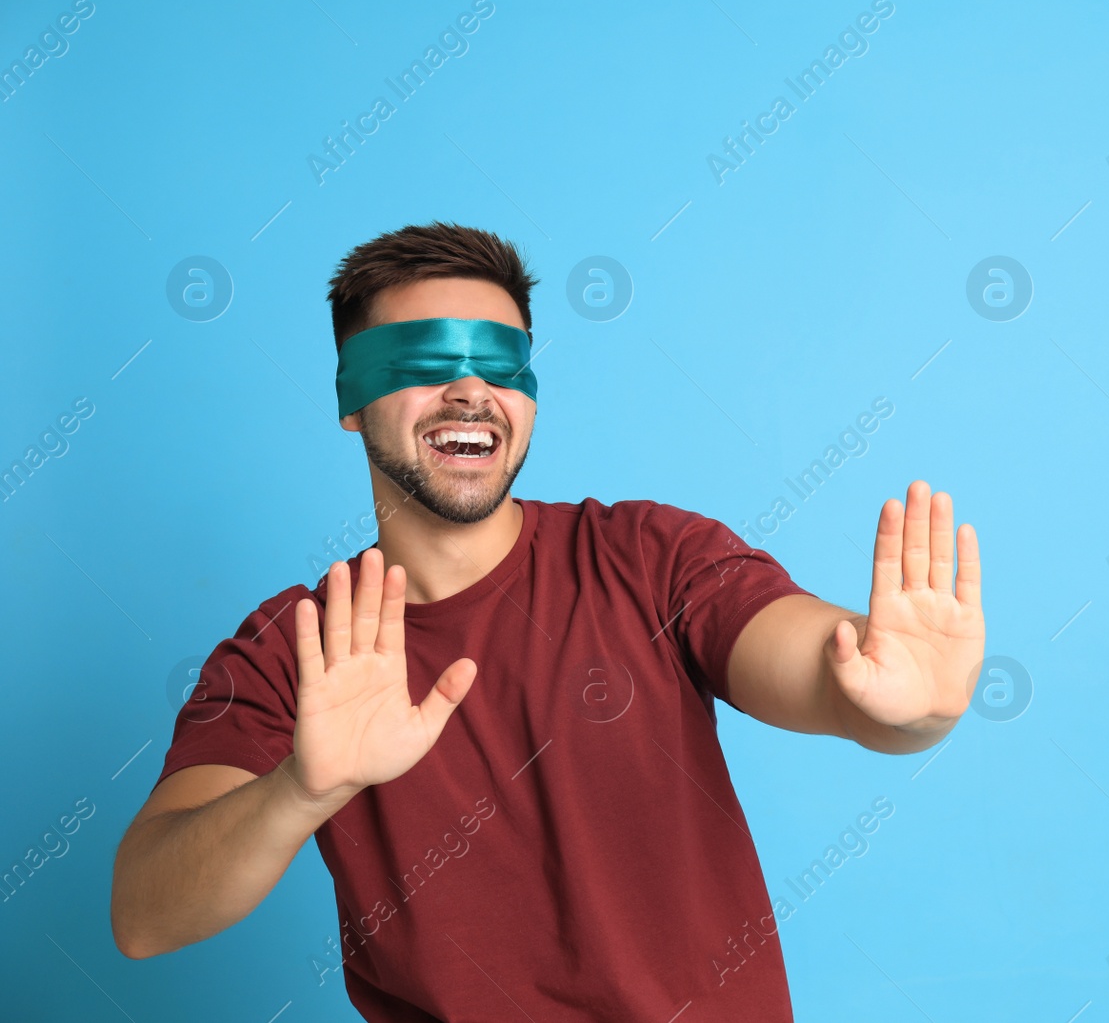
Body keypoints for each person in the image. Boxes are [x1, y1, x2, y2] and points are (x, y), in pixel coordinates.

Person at [109, 221, 985, 1021]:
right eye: (420, 361)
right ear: (352, 397)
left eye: (500, 362)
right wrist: (302, 787)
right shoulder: (294, 649)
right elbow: (145, 913)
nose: (468, 388)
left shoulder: (648, 554)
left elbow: (815, 669)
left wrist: (902, 705)